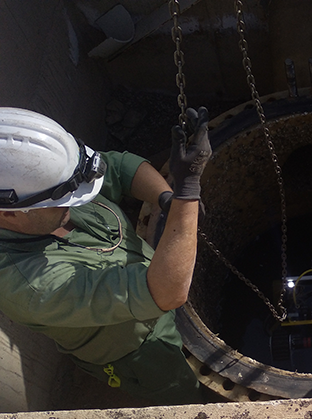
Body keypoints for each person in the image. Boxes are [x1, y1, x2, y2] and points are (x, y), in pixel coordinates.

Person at [0, 106, 212, 404]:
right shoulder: (28, 285)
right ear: (10, 214)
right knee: (181, 394)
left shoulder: (47, 186)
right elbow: (165, 291)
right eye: (63, 202)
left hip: (158, 294)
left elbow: (117, 167)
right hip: (140, 350)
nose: (74, 203)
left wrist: (165, 198)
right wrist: (187, 192)